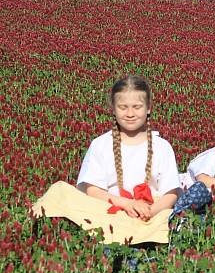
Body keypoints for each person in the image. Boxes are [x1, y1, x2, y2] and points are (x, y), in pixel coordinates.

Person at [32, 75, 179, 245]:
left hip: (149, 213)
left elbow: (171, 193)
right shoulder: (101, 144)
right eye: (123, 107)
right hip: (108, 209)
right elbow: (93, 190)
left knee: (166, 214)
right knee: (60, 191)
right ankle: (137, 238)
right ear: (113, 109)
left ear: (148, 108)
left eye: (137, 107)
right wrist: (126, 204)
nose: (130, 113)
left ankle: (117, 237)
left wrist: (149, 212)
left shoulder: (162, 146)